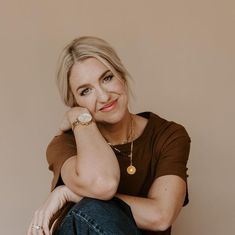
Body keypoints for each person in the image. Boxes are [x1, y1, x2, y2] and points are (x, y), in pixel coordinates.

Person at [27, 36, 191, 235]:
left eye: (107, 78)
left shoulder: (168, 135)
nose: (104, 97)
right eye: (86, 91)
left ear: (121, 75)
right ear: (75, 101)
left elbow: (161, 217)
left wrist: (69, 193)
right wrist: (79, 116)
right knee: (91, 210)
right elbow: (103, 184)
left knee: (92, 206)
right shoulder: (64, 143)